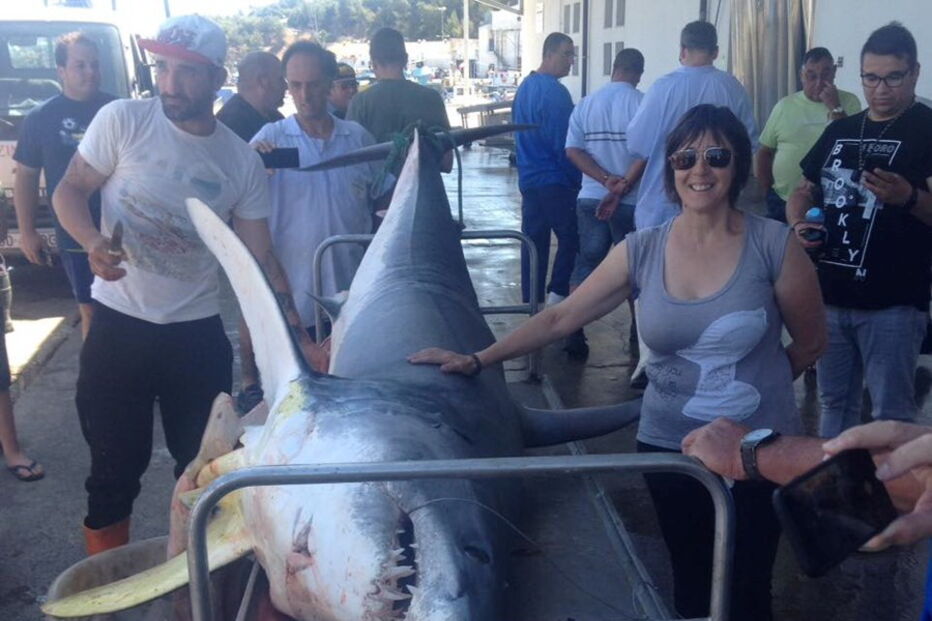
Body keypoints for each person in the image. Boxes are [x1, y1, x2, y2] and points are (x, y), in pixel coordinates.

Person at [410, 105, 825, 620]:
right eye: (685, 158)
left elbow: (810, 343)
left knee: (749, 589)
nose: (700, 169)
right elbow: (561, 316)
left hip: (757, 449)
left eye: (716, 156)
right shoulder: (642, 249)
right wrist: (479, 358)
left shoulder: (774, 244)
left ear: (737, 164)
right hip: (672, 450)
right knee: (691, 583)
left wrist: (755, 396)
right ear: (670, 169)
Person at [51, 14, 325, 556]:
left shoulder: (238, 160)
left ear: (218, 77)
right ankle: (108, 586)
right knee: (111, 473)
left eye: (187, 72)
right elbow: (69, 189)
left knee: (208, 476)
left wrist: (300, 337)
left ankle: (197, 587)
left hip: (194, 336)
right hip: (119, 328)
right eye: (162, 68)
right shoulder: (123, 120)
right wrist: (91, 240)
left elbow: (259, 259)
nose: (170, 84)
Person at [788, 22, 932, 439]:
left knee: (891, 413)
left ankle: (890, 483)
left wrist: (908, 196)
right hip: (830, 298)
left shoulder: (926, 128)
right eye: (871, 78)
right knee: (834, 403)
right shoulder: (840, 130)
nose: (880, 89)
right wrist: (799, 223)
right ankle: (837, 478)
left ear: (915, 73)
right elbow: (803, 191)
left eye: (893, 77)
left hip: (894, 303)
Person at [240, 41, 390, 410]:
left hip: (352, 301)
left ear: (328, 83)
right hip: (294, 303)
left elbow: (384, 199)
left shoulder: (357, 138)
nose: (304, 96)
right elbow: (237, 204)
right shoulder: (269, 140)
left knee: (355, 403)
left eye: (313, 84)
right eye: (295, 86)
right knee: (297, 408)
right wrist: (251, 168)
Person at [13, 32, 115, 340]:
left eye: (95, 64)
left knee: (133, 310)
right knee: (91, 308)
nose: (90, 72)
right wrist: (27, 231)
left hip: (123, 228)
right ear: (61, 71)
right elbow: (26, 177)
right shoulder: (41, 118)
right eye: (80, 65)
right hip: (76, 233)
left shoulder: (118, 110)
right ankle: (97, 369)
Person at [627, 20, 758, 230]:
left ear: (682, 50)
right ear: (715, 52)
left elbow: (636, 145)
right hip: (715, 205)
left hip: (662, 204)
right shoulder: (733, 89)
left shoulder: (662, 88)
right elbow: (747, 147)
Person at [563, 47, 646, 358]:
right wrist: (622, 186)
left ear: (614, 69)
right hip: (632, 202)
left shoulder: (587, 103)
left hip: (590, 198)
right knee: (636, 268)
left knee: (587, 263)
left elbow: (573, 151)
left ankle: (573, 329)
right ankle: (640, 334)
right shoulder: (643, 104)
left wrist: (604, 180)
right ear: (638, 74)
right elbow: (647, 154)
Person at [512, 32, 581, 309]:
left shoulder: (524, 88)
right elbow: (563, 143)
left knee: (533, 242)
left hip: (529, 179)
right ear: (549, 54)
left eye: (573, 55)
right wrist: (577, 179)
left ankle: (533, 303)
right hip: (554, 179)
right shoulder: (555, 92)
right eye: (567, 54)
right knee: (573, 237)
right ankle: (558, 296)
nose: (571, 61)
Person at [756, 47, 861, 222]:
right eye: (811, 76)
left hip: (830, 201)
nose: (819, 83)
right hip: (782, 200)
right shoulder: (784, 106)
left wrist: (835, 107)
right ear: (801, 76)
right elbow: (765, 152)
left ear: (834, 72)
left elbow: (851, 145)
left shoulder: (850, 102)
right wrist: (767, 190)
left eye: (825, 75)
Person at [347, 28, 451, 171]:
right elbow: (447, 163)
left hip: (376, 185)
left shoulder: (360, 103)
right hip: (425, 185)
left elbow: (350, 165)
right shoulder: (432, 98)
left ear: (374, 63)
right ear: (405, 60)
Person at [216, 51, 286, 142]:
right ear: (262, 81)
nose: (286, 86)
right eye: (280, 79)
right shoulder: (232, 126)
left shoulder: (274, 117)